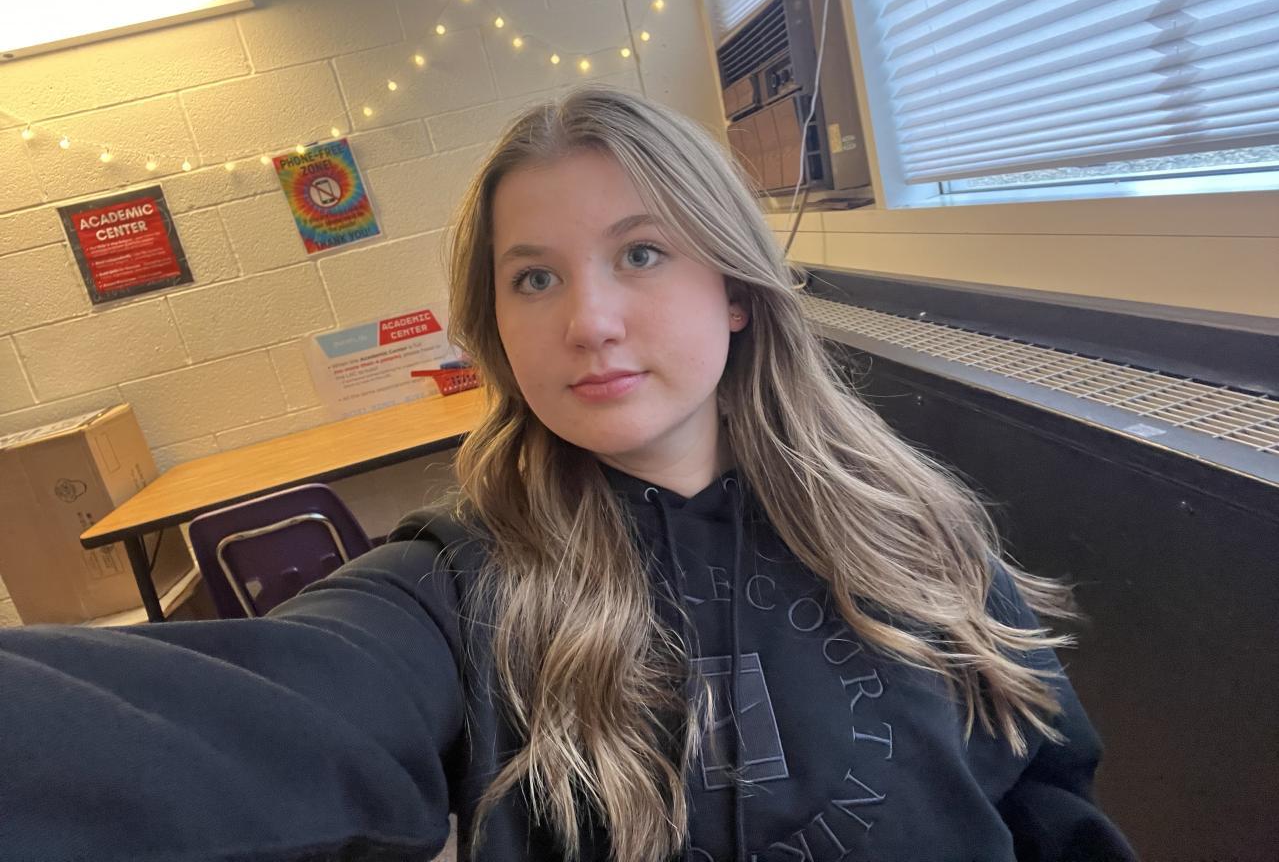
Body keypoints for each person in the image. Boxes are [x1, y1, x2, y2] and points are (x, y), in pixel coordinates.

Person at [0, 87, 1136, 862]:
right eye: (533, 279)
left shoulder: (910, 526)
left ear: (735, 290)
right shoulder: (455, 590)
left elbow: (1045, 795)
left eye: (641, 253)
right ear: (497, 324)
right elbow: (273, 712)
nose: (588, 321)